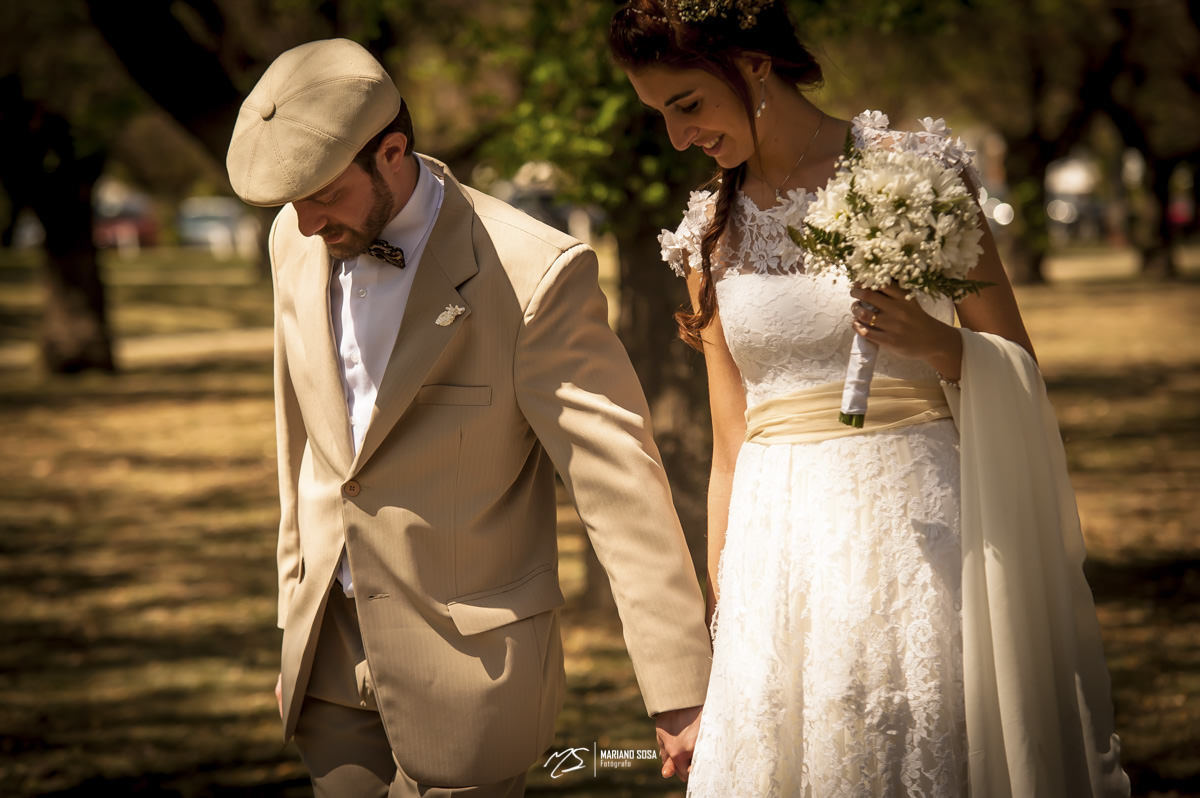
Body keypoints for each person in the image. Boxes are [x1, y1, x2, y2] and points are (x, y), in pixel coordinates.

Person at [609, 1, 1131, 795]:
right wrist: (728, 600)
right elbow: (728, 441)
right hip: (776, 554)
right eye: (662, 117)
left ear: (753, 63)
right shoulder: (707, 229)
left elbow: (1015, 363)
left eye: (688, 104)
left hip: (919, 535)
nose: (682, 137)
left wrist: (937, 345)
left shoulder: (913, 176)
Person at [225, 38, 712, 797]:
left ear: (391, 151)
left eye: (321, 193)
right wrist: (297, 624)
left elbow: (620, 485)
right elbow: (304, 446)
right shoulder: (293, 238)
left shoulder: (535, 276)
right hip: (328, 659)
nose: (307, 221)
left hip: (469, 670)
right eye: (291, 203)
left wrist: (679, 687)